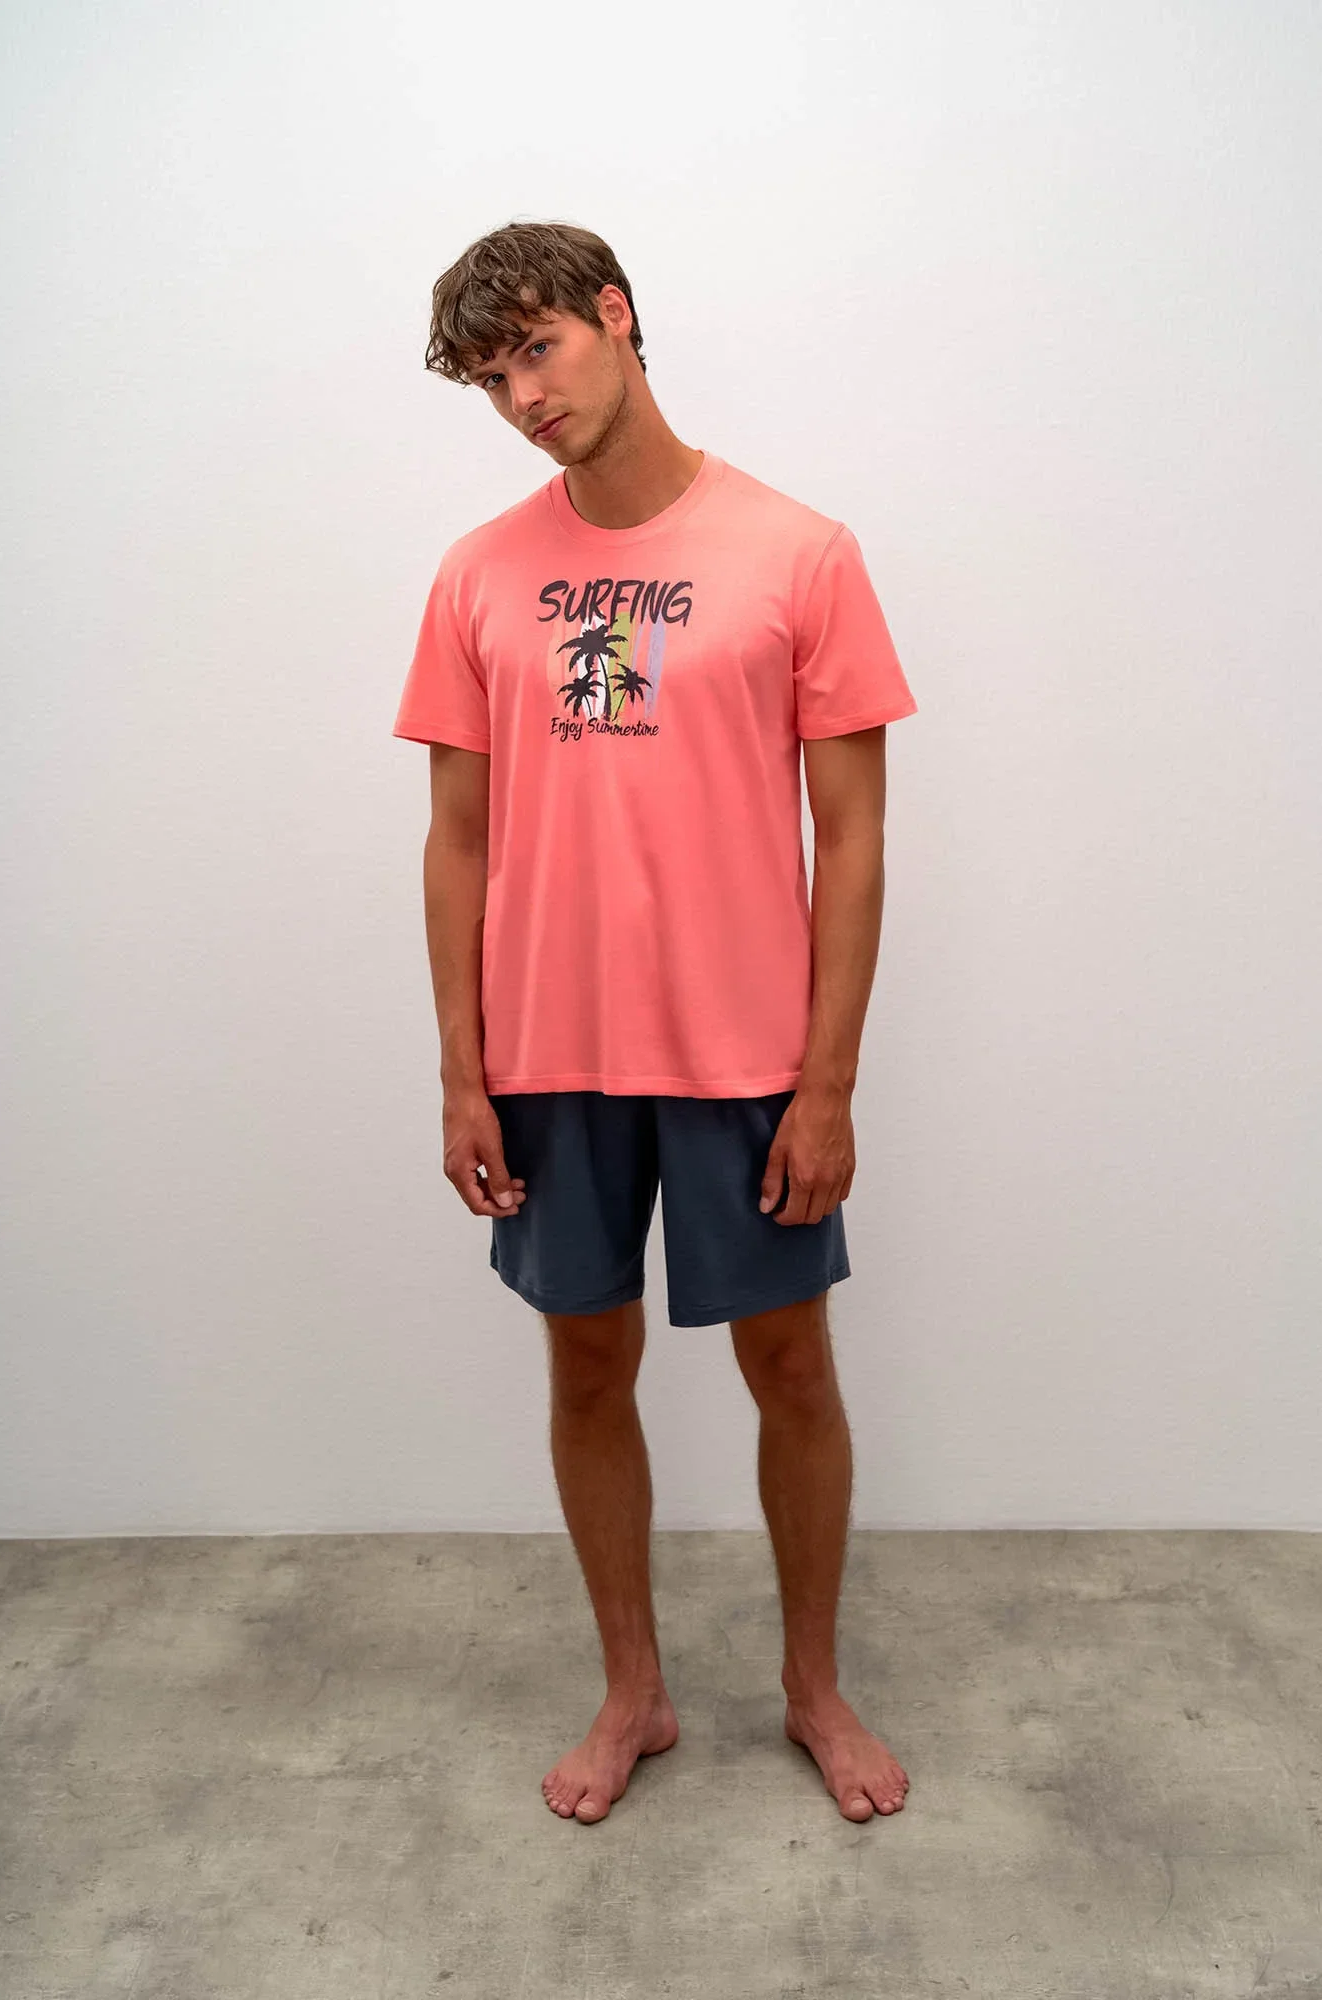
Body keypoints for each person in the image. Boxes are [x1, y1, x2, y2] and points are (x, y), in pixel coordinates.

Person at [392, 220, 917, 1827]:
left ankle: (814, 1688)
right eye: (491, 380)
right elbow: (457, 841)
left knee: (793, 1369)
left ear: (616, 317)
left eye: (536, 351)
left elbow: (855, 838)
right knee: (584, 1366)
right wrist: (461, 1073)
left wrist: (828, 1086)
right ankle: (635, 1691)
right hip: (550, 1056)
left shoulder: (799, 552)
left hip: (745, 1056)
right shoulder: (478, 573)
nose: (521, 398)